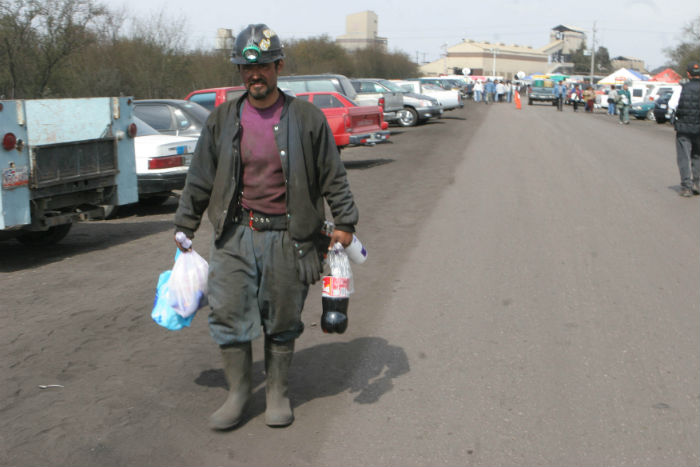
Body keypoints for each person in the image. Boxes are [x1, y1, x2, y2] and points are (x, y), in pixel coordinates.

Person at [173, 23, 359, 430]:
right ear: (240, 71)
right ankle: (239, 394)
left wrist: (345, 220)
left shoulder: (307, 118)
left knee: (283, 316)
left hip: (288, 238)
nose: (254, 75)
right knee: (229, 313)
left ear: (279, 66)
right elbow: (201, 174)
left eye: (264, 67)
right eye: (246, 68)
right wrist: (185, 222)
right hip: (235, 235)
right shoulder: (223, 118)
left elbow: (333, 174)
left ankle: (277, 392)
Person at [673, 61, 700, 197]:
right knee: (697, 156)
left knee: (684, 157)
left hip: (684, 128)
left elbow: (672, 105)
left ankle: (686, 187)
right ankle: (697, 184)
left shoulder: (681, 88)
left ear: (688, 74)